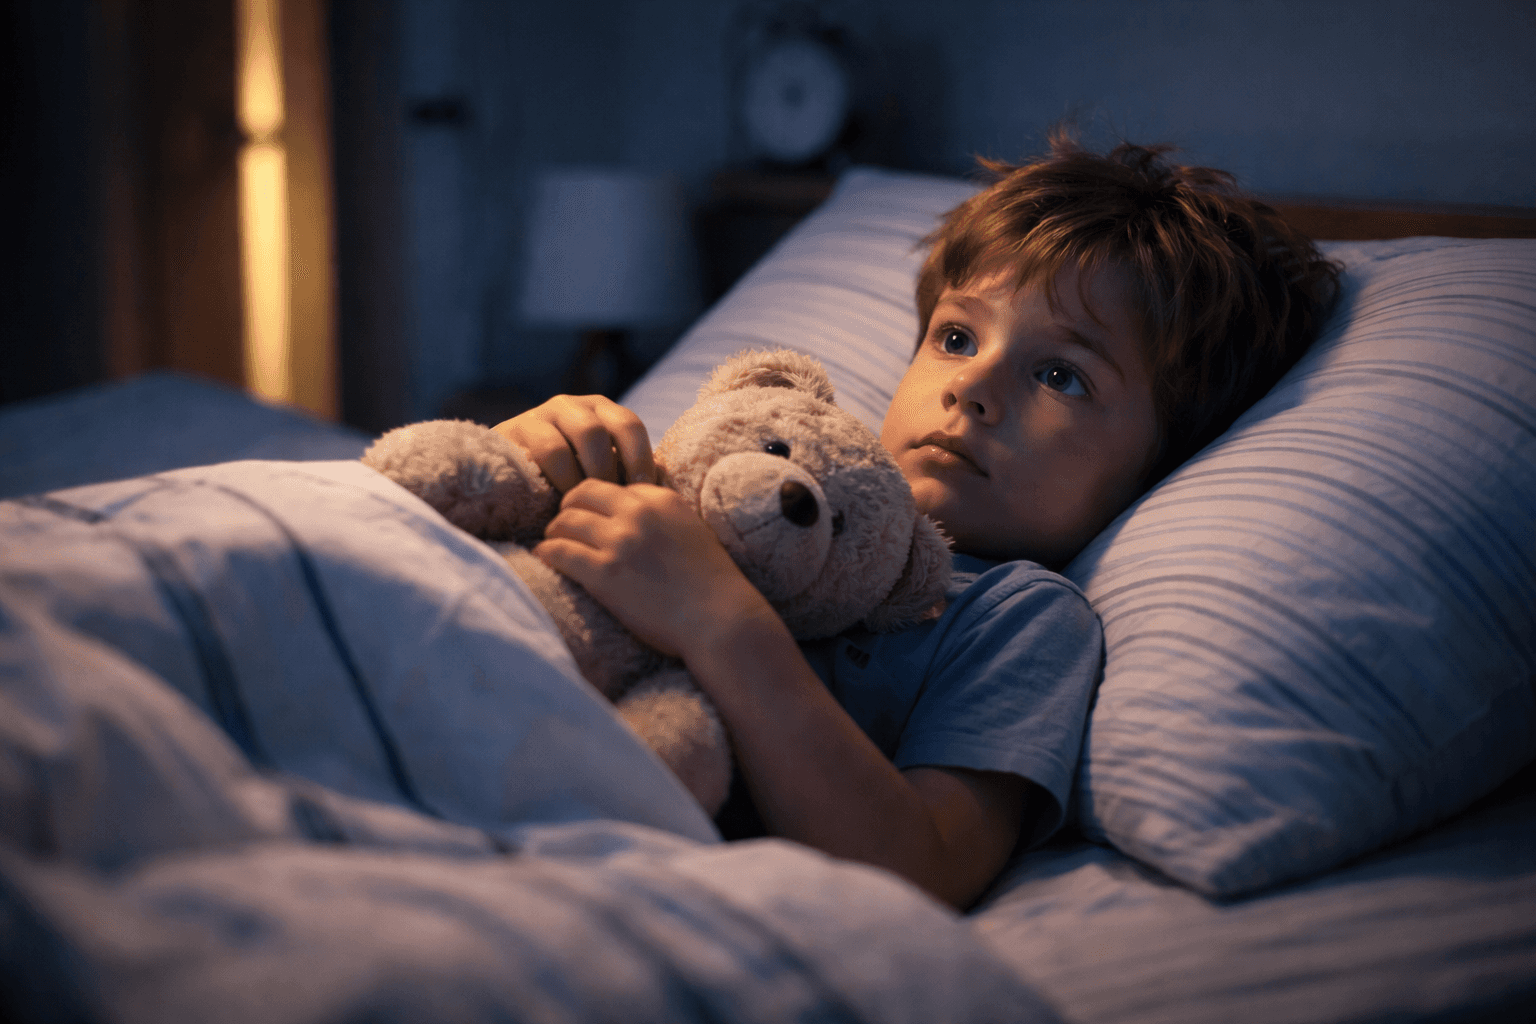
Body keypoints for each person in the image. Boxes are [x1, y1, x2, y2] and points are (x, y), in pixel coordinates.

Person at [495, 131, 1340, 909]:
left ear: (1161, 460)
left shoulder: (1019, 621)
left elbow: (921, 867)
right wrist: (532, 459)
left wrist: (720, 620)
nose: (971, 388)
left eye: (1060, 376)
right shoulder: (766, 471)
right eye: (958, 338)